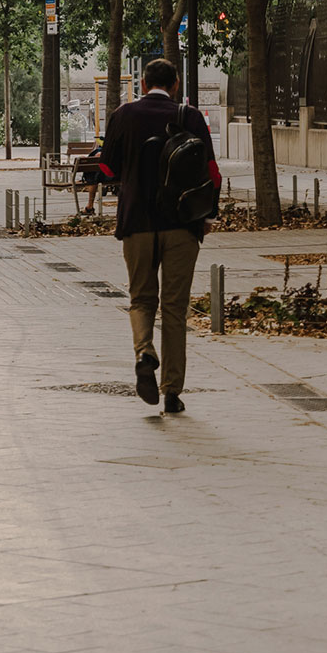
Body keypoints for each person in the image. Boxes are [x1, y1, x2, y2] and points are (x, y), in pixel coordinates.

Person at [92, 56, 220, 413]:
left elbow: (107, 168)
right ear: (175, 84)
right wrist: (209, 216)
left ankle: (144, 352)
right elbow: (212, 171)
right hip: (181, 224)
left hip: (137, 224)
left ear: (144, 84)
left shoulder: (123, 115)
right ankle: (173, 392)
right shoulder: (189, 117)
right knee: (175, 309)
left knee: (141, 299)